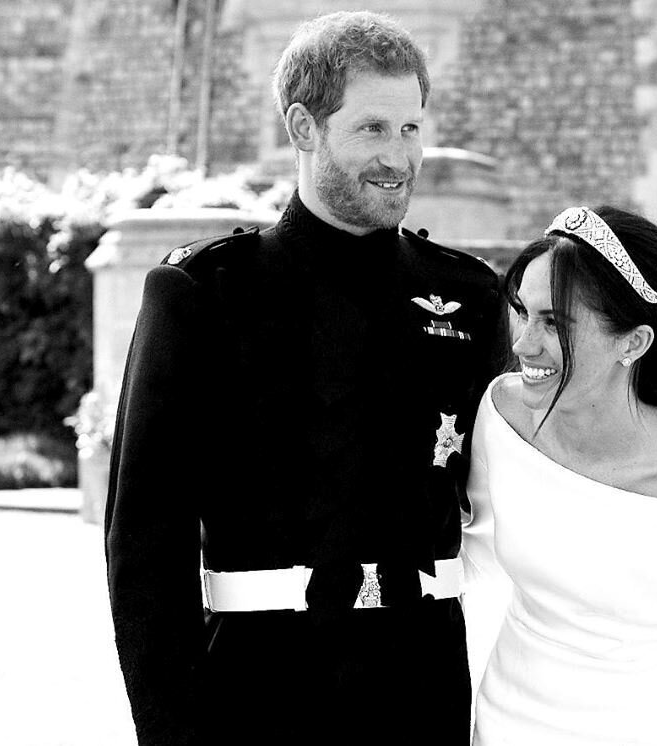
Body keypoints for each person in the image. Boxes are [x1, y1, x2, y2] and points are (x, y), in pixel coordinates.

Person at [104, 11, 504, 745]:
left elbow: (513, 500)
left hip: (422, 695)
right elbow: (146, 544)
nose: (399, 156)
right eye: (372, 129)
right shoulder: (205, 293)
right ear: (303, 127)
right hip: (259, 696)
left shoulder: (468, 298)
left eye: (411, 129)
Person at [461, 206, 657, 745]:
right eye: (522, 312)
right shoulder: (501, 416)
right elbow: (477, 571)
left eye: (554, 323)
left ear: (633, 342)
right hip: (498, 727)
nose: (523, 343)